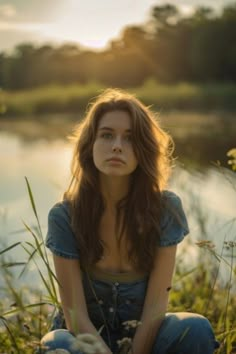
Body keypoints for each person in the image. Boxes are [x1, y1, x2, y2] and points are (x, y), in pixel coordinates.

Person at [40, 88, 219, 354]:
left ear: (143, 149)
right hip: (85, 340)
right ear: (90, 146)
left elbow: (156, 308)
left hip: (145, 338)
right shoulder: (65, 216)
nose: (117, 146)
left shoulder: (165, 209)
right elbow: (76, 317)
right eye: (107, 135)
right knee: (59, 345)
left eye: (130, 138)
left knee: (195, 328)